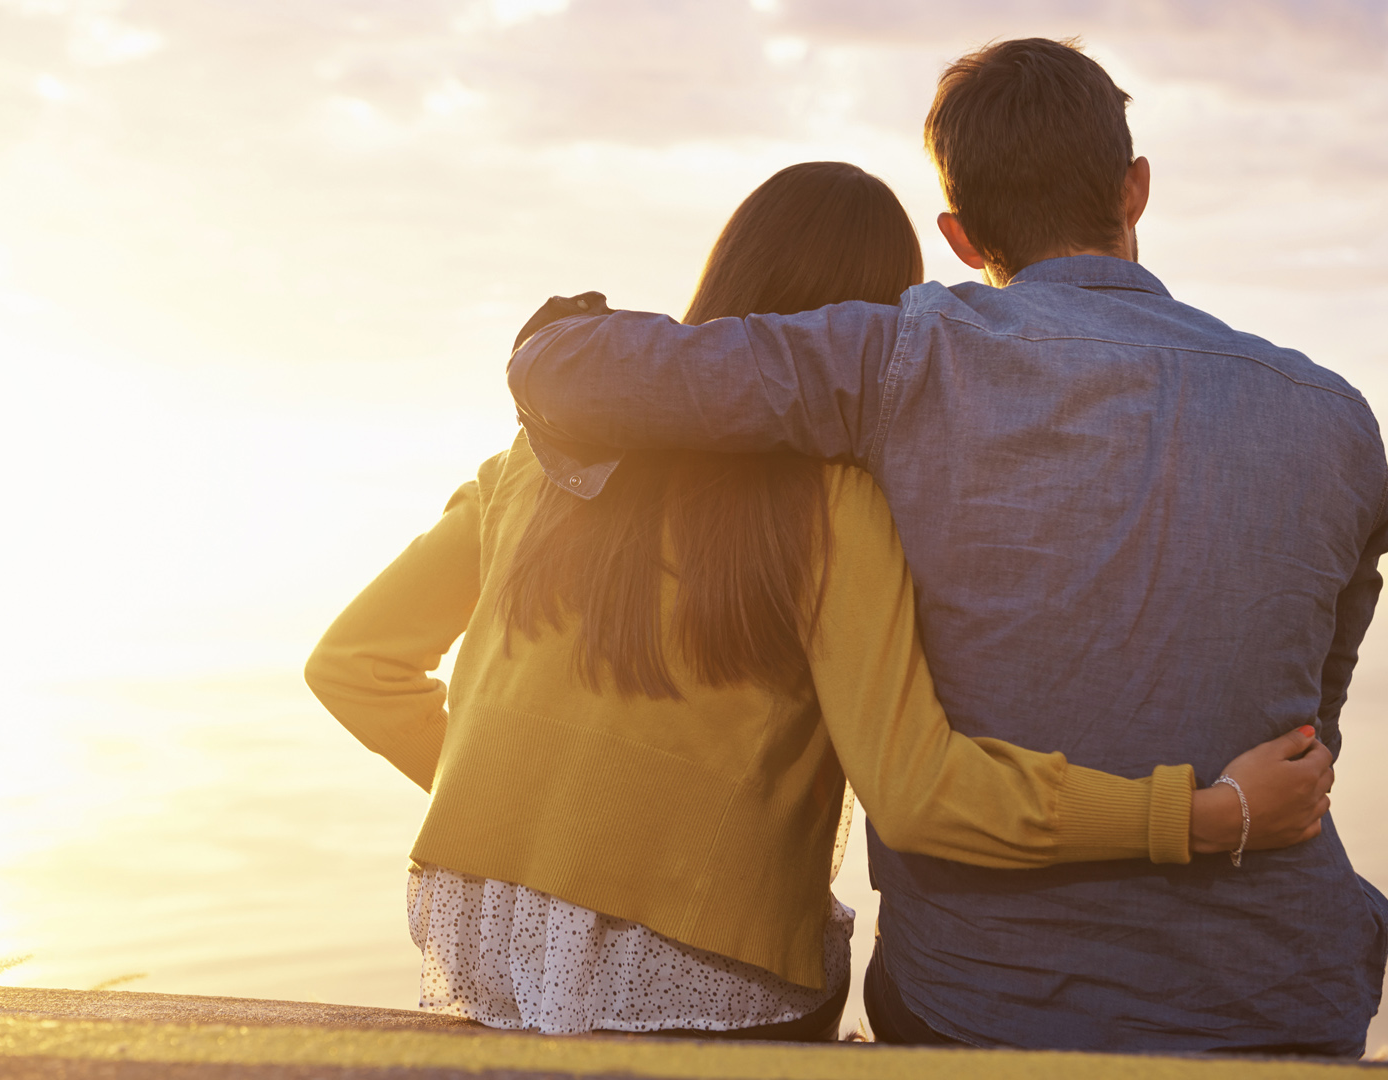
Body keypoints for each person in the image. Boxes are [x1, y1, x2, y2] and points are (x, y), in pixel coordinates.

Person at [308, 161, 1330, 1042]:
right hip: (695, 973)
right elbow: (919, 793)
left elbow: (350, 666)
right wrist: (1203, 813)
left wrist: (532, 811)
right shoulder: (836, 503)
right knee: (830, 970)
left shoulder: (537, 460)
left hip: (476, 933)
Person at [504, 42, 1388, 1056]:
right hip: (1281, 1002)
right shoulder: (1335, 417)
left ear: (960, 238)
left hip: (978, 1013)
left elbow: (575, 379)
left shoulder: (899, 358)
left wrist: (549, 336)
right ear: (1134, 188)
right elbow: (1313, 735)